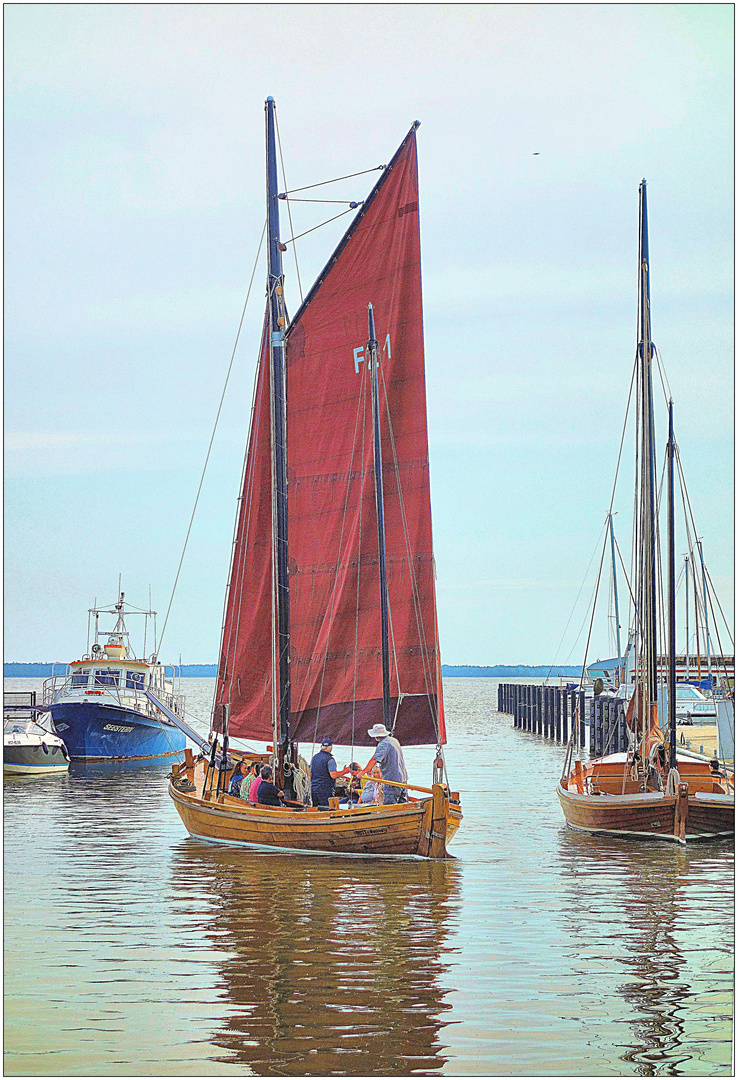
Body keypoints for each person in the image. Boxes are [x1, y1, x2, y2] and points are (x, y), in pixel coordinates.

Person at [360, 723, 408, 804]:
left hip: (392, 781)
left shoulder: (383, 744)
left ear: (376, 736)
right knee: (403, 806)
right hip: (403, 779)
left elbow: (374, 760)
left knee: (389, 808)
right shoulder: (394, 740)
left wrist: (363, 772)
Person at [310, 737, 350, 807]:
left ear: (322, 746)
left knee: (316, 809)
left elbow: (310, 774)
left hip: (314, 789)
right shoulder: (330, 760)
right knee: (326, 809)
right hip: (325, 790)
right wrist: (345, 771)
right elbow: (333, 775)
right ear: (330, 747)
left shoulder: (315, 758)